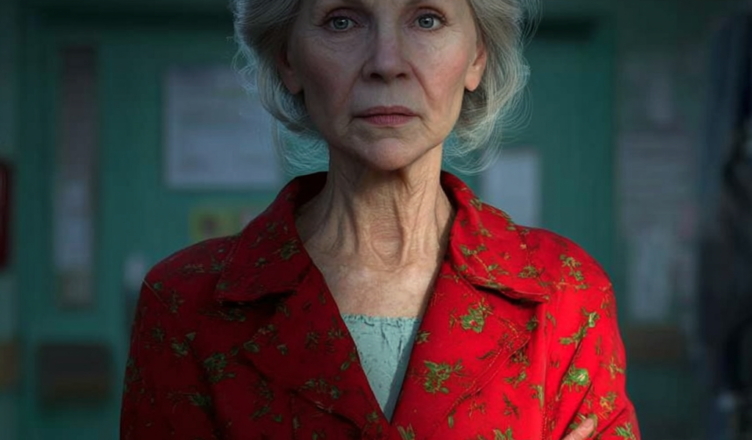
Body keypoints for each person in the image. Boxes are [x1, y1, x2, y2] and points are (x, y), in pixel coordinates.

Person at [120, 0, 640, 438]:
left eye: (427, 19)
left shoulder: (566, 294)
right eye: (342, 20)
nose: (387, 63)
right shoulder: (184, 305)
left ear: (477, 56)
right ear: (288, 58)